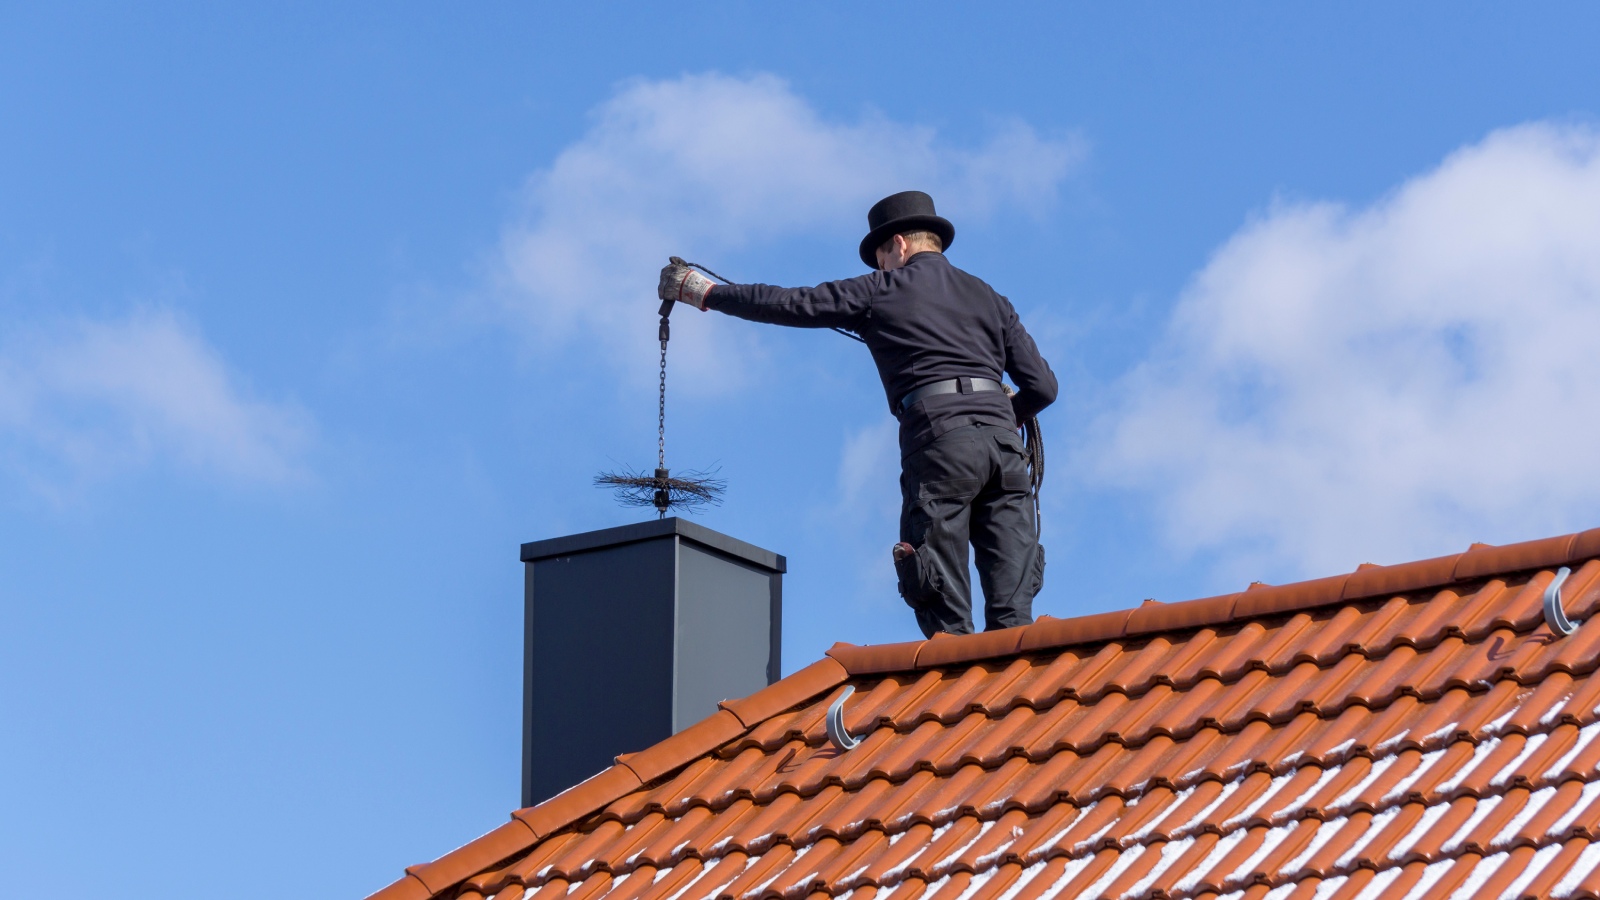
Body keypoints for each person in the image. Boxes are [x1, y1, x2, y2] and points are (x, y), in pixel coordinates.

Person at [658, 191, 1058, 637]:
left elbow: (791, 303)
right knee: (1014, 618)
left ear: (899, 245)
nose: (879, 268)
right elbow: (1044, 386)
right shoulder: (992, 299)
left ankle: (960, 697)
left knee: (945, 612)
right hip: (1005, 453)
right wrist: (1008, 413)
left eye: (880, 257)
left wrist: (704, 292)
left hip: (943, 446)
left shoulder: (881, 290)